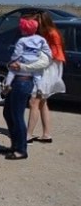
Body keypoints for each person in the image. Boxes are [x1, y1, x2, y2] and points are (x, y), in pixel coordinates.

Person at [26, 11, 66, 143]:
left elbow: (53, 54)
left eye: (38, 22)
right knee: (42, 102)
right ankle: (46, 134)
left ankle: (28, 135)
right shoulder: (49, 33)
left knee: (34, 101)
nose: (37, 25)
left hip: (50, 69)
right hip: (50, 68)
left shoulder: (51, 34)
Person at [3, 18, 51, 96]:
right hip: (35, 60)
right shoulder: (41, 39)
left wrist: (12, 61)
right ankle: (39, 89)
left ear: (25, 30)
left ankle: (7, 84)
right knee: (37, 74)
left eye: (22, 29)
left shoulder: (22, 40)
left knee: (12, 71)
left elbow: (17, 53)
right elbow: (47, 51)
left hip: (23, 60)